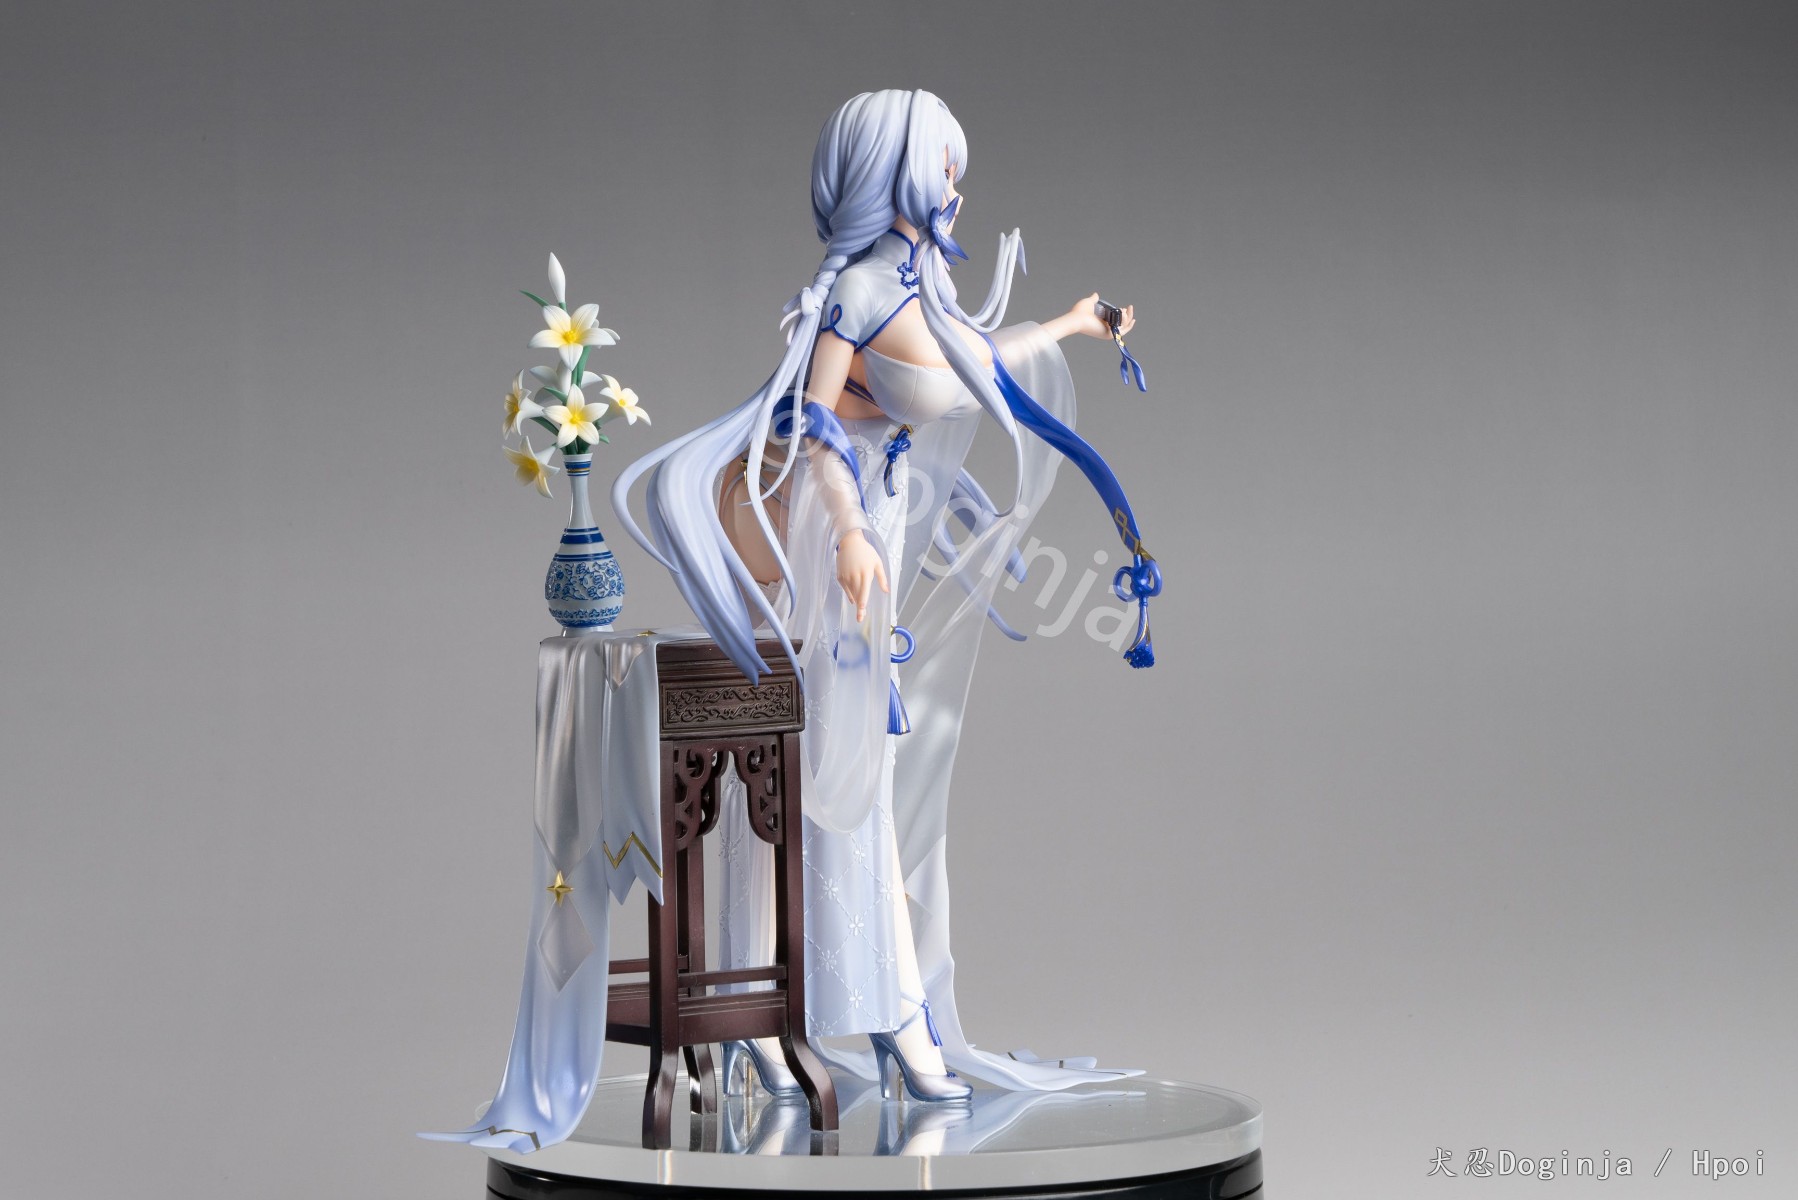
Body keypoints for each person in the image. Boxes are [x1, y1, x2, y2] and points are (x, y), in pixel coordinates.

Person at [611, 89, 1160, 1102]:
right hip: (832, 553)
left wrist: (1073, 324)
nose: (956, 184)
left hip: (877, 549)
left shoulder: (923, 294)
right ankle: (874, 1015)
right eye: (943, 165)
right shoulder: (859, 293)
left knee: (849, 774)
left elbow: (979, 363)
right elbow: (810, 424)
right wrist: (852, 529)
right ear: (898, 171)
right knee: (837, 774)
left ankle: (811, 1012)